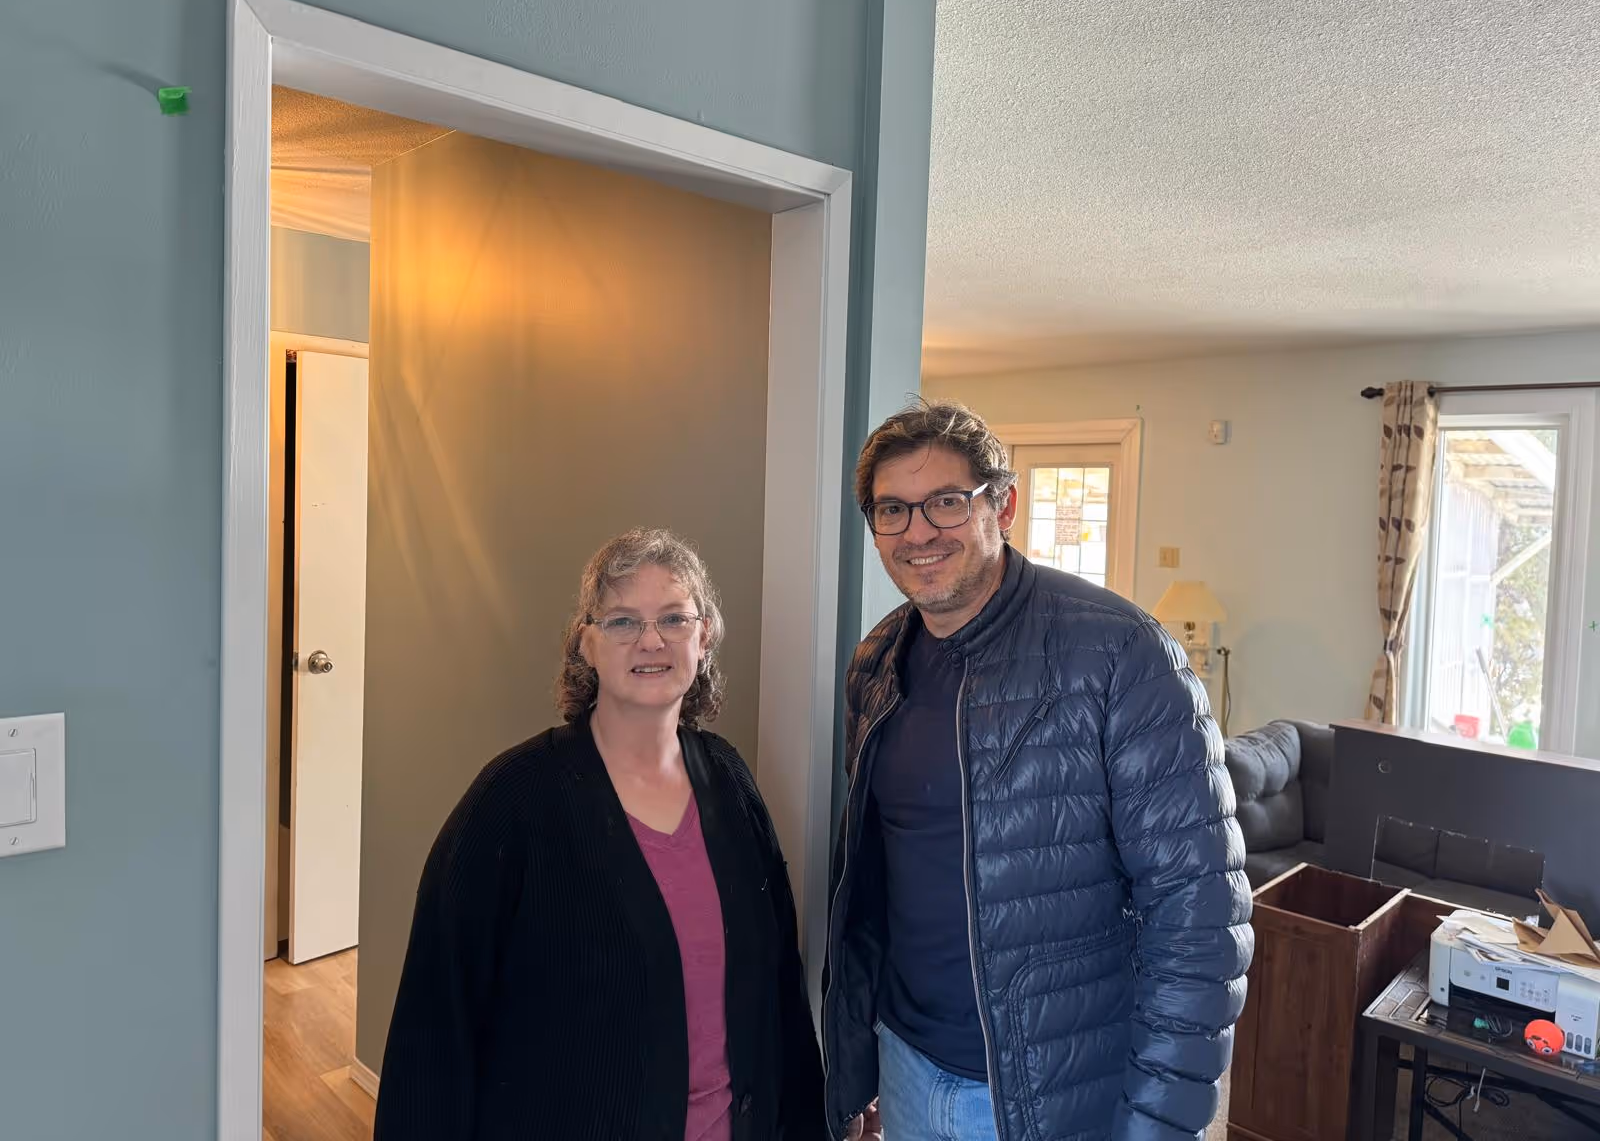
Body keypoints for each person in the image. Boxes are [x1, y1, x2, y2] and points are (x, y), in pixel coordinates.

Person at [823, 399, 1253, 1141]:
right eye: (892, 509)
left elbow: (1201, 917)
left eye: (946, 503)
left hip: (1054, 1093)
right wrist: (858, 1063)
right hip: (908, 1067)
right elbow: (873, 883)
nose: (918, 531)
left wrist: (1157, 1123)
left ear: (1005, 504)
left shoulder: (1122, 654)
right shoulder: (878, 660)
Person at [375, 528, 825, 1141]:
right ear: (584, 643)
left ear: (704, 636)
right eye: (621, 622)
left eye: (673, 617)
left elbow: (778, 984)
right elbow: (437, 1020)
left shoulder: (728, 779)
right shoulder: (513, 800)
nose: (650, 640)